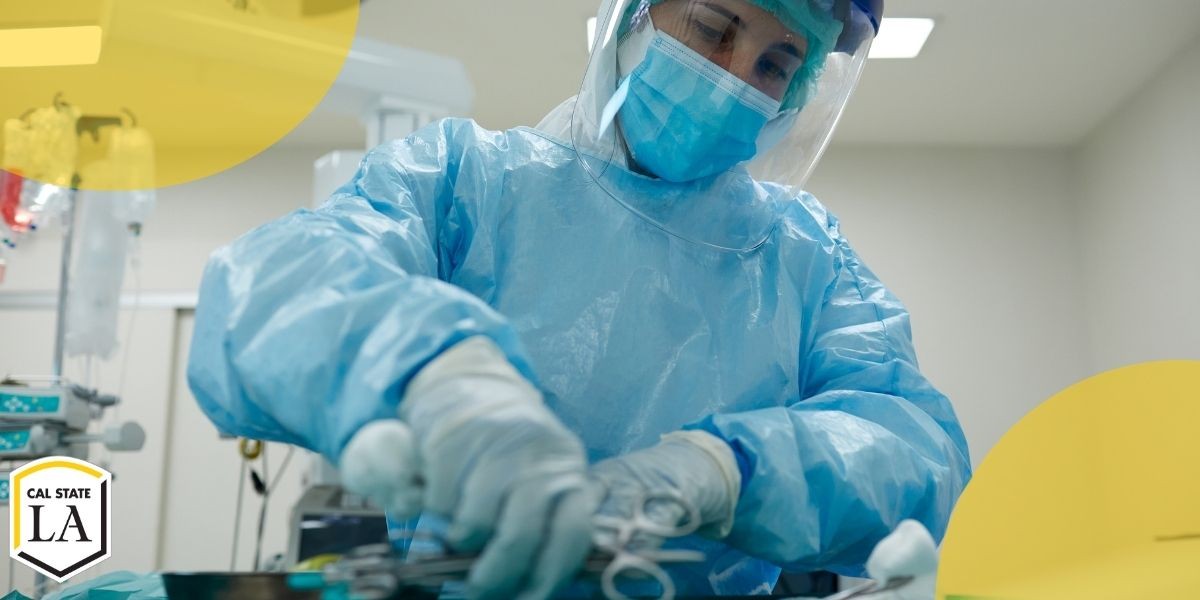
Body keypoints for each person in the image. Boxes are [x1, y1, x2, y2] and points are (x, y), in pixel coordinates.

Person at [187, 0, 972, 597]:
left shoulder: (803, 255)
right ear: (631, 16)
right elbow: (280, 284)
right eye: (712, 26)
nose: (736, 77)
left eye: (776, 65)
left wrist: (721, 470)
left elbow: (913, 445)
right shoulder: (467, 181)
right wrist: (433, 376)